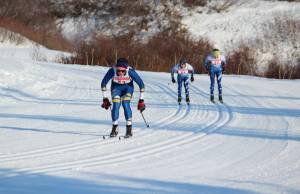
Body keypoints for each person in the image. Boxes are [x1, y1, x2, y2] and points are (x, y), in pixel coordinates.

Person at [101, 58, 146, 138]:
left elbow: (141, 85)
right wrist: (105, 98)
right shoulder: (112, 71)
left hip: (127, 88)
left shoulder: (131, 72)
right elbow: (103, 83)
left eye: (123, 71)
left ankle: (129, 128)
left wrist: (141, 100)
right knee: (116, 105)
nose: (120, 73)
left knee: (125, 104)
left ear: (126, 69)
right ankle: (115, 127)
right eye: (118, 71)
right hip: (116, 88)